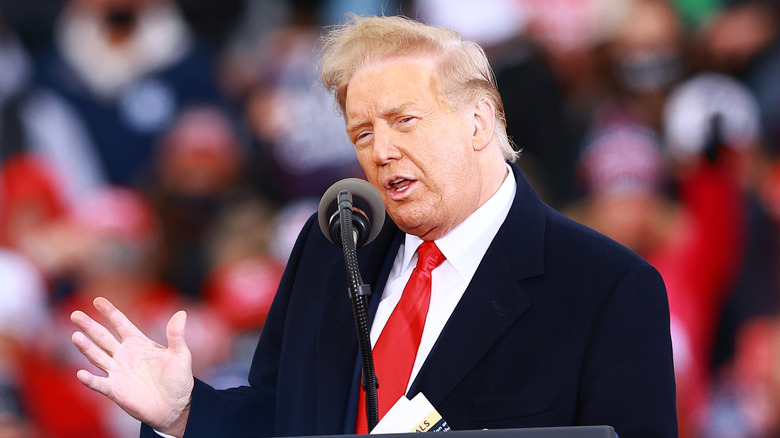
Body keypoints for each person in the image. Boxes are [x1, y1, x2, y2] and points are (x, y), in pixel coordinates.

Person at [70, 14, 677, 438]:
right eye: (362, 133)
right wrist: (183, 414)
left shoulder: (607, 289)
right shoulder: (334, 248)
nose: (379, 151)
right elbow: (287, 423)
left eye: (404, 120)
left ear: (478, 121)